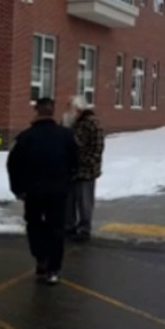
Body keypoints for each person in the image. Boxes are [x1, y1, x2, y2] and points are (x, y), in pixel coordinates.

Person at [6, 97, 79, 285]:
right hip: (58, 191)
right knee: (56, 228)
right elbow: (76, 162)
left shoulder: (26, 137)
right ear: (53, 111)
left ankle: (41, 258)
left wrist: (18, 188)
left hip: (33, 192)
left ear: (36, 111)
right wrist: (67, 182)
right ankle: (53, 269)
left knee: (35, 225)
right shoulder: (66, 136)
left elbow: (13, 164)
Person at [62, 94, 105, 242]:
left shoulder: (91, 123)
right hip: (69, 170)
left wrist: (83, 162)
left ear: (78, 109)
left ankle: (84, 229)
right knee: (68, 201)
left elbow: (97, 148)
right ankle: (69, 226)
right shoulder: (68, 122)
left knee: (84, 201)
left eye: (70, 107)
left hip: (86, 170)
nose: (67, 110)